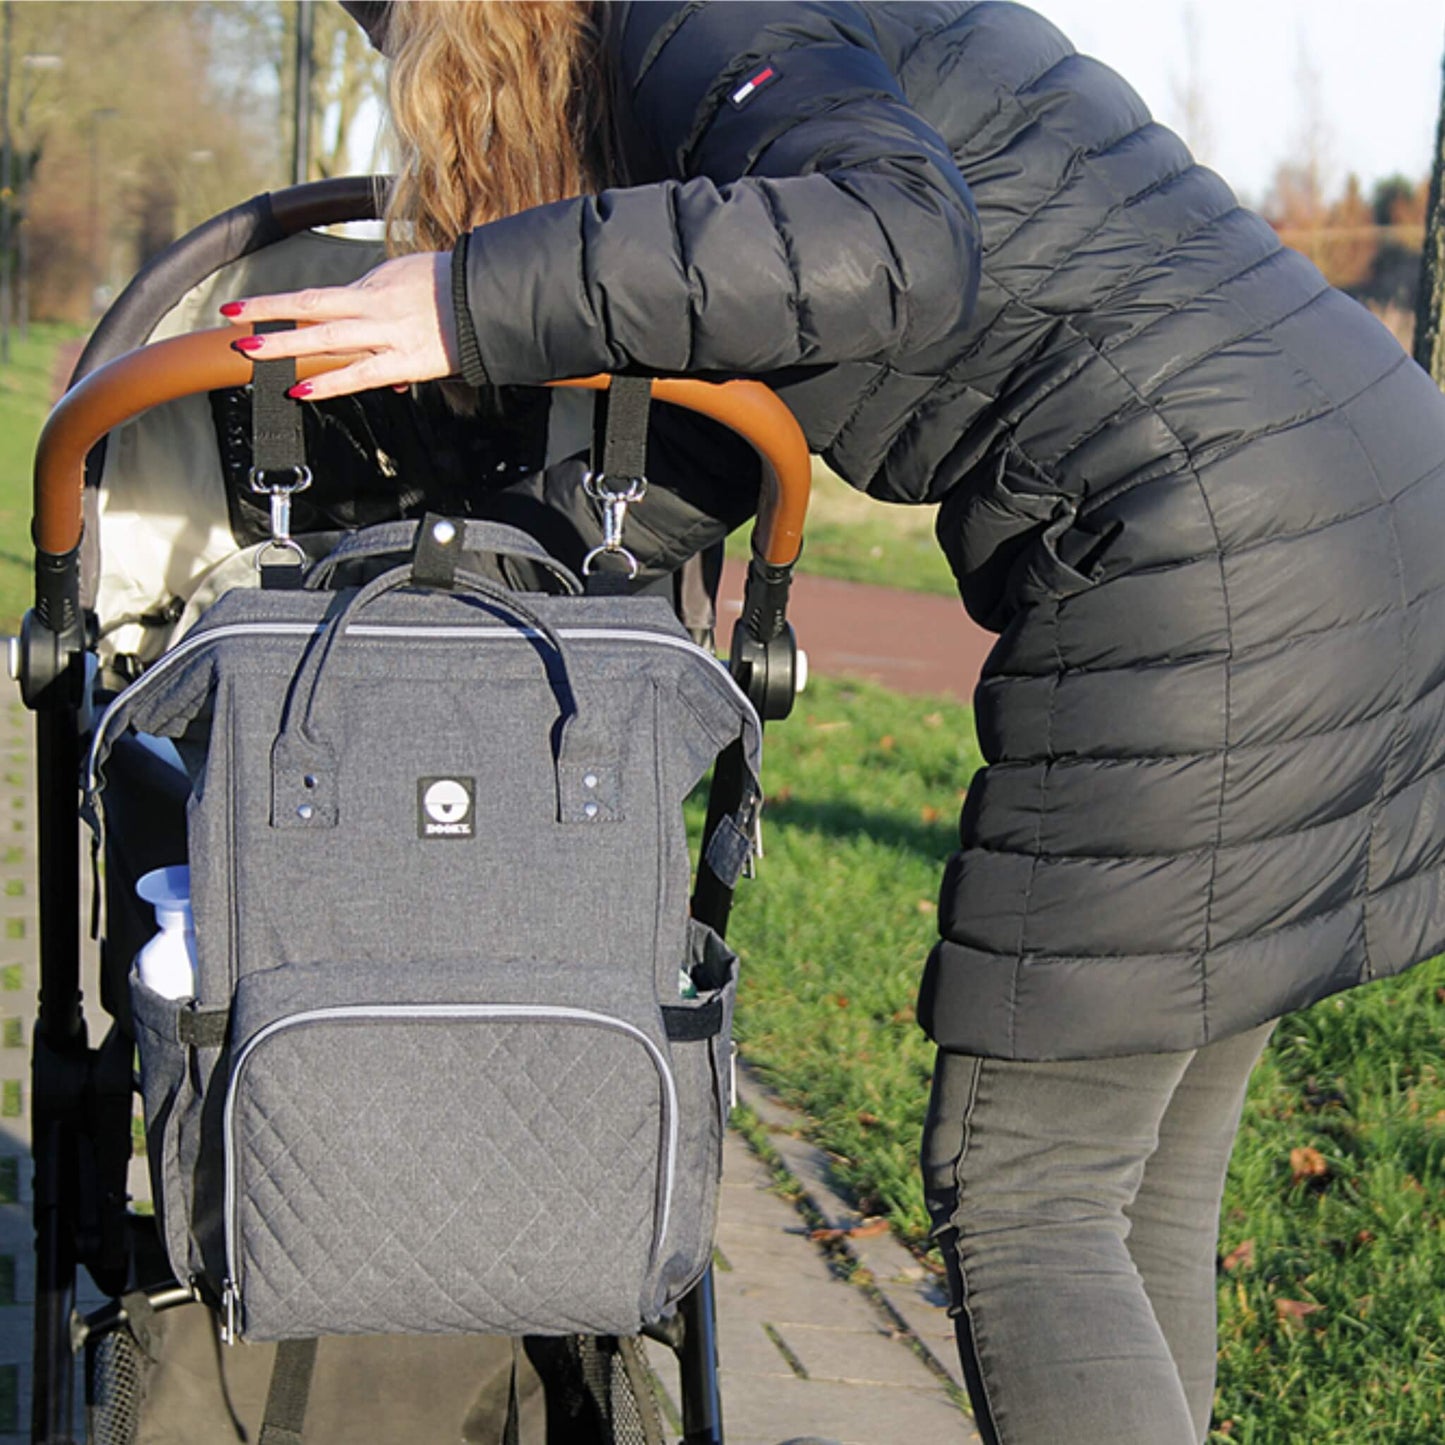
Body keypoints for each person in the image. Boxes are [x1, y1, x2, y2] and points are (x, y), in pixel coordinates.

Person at [224, 4, 1445, 1442]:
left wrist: (462, 298)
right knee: (1123, 1183)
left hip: (1212, 558)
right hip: (1374, 503)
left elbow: (888, 240)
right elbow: (695, 421)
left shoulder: (696, 14)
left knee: (1028, 1190)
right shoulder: (709, 77)